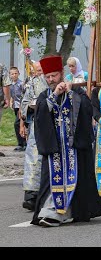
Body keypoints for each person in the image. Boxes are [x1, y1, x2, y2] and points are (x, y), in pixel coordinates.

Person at [32, 55, 101, 227]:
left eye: (53, 76)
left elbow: (87, 110)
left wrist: (70, 93)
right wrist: (55, 95)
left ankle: (64, 212)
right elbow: (40, 115)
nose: (50, 80)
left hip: (73, 148)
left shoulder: (77, 92)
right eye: (47, 77)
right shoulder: (45, 94)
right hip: (55, 148)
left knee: (75, 180)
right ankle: (50, 210)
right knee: (52, 180)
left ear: (61, 73)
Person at [20, 62, 48, 210]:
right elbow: (24, 103)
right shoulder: (32, 84)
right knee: (32, 161)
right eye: (37, 70)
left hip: (50, 125)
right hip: (35, 126)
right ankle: (31, 196)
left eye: (41, 70)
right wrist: (28, 108)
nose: (39, 73)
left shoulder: (53, 83)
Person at [9, 67, 26, 151]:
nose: (14, 75)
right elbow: (12, 96)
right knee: (19, 124)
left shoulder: (21, 84)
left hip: (21, 106)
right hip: (15, 106)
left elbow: (24, 95)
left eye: (16, 73)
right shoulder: (11, 85)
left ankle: (22, 143)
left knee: (17, 124)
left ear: (18, 74)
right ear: (10, 75)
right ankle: (22, 143)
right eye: (12, 74)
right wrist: (11, 102)